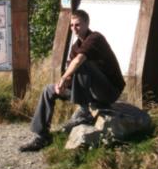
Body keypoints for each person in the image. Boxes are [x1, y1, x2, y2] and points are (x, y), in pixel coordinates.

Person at [19, 9, 124, 152]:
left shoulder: (95, 38)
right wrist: (62, 84)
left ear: (87, 24)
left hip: (108, 92)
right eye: (72, 25)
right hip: (90, 94)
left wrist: (64, 78)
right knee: (49, 90)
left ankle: (85, 111)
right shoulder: (75, 47)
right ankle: (41, 136)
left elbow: (79, 61)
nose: (74, 28)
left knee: (82, 64)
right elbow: (70, 73)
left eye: (78, 25)